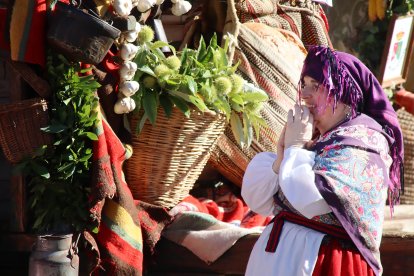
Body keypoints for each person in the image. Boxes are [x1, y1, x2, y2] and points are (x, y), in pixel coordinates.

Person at [241, 45, 403, 276]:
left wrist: (295, 148)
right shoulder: (316, 138)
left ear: (344, 93)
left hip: (326, 263)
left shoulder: (365, 142)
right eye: (304, 84)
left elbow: (312, 201)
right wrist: (281, 158)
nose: (304, 94)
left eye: (315, 86)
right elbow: (259, 202)